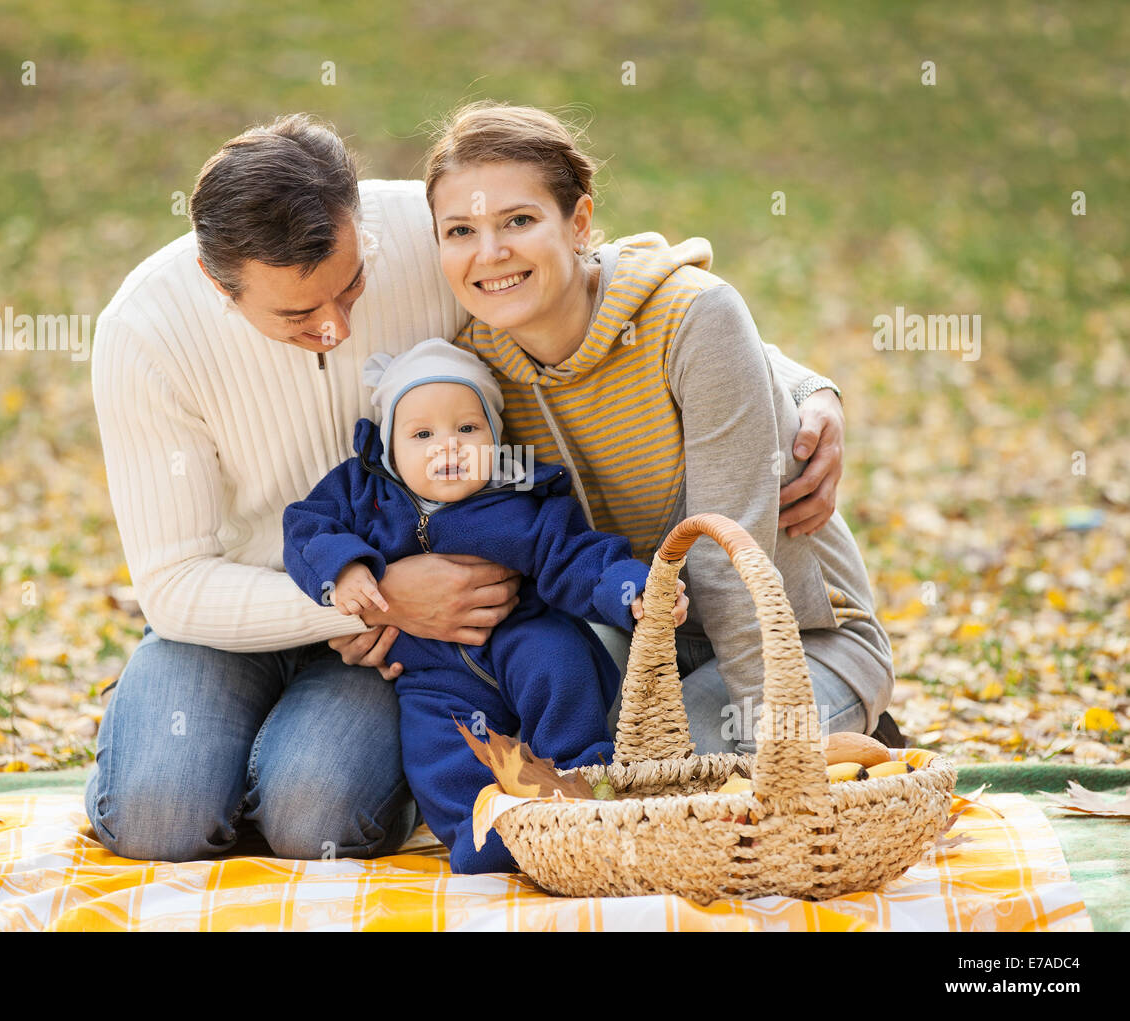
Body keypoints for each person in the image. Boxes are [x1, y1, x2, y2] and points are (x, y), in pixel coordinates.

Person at [85, 112, 853, 863]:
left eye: (351, 289)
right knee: (161, 814)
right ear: (215, 283)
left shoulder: (433, 235)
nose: (337, 329)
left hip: (405, 645)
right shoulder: (145, 333)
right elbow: (173, 581)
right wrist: (376, 593)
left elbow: (614, 281)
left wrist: (805, 390)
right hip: (237, 610)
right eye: (298, 314)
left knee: (311, 811)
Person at [420, 101, 901, 756]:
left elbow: (728, 563)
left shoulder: (689, 320)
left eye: (519, 220)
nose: (490, 251)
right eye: (459, 231)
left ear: (578, 221)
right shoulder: (473, 370)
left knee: (669, 774)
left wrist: (775, 747)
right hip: (644, 635)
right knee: (565, 759)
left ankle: (828, 728)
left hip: (799, 637)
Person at [282, 338, 687, 872]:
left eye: (467, 429)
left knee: (561, 670)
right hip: (431, 667)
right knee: (438, 750)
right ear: (388, 447)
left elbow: (578, 556)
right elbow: (306, 525)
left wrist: (633, 591)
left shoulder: (519, 498)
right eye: (422, 434)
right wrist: (346, 569)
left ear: (496, 440)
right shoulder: (364, 493)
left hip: (523, 632)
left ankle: (585, 793)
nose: (446, 447)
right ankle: (484, 835)